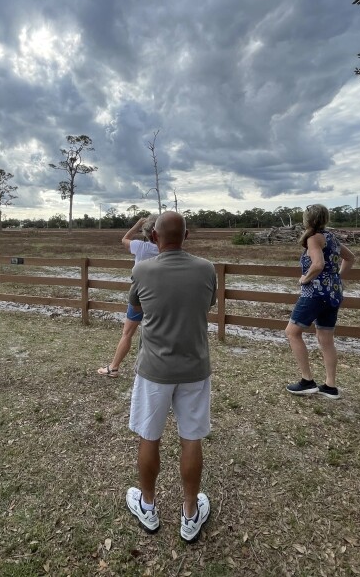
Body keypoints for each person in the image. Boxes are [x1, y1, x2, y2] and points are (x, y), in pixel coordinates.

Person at [124, 211, 217, 544]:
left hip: (154, 370)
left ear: (153, 238)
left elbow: (137, 308)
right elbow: (207, 304)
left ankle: (147, 505)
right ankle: (190, 512)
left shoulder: (142, 270)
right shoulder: (207, 269)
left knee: (150, 436)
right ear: (187, 235)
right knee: (191, 438)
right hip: (194, 368)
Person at [284, 204, 356, 399]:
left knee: (292, 333)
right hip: (333, 294)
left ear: (308, 219)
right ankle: (330, 386)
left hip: (314, 294)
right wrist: (337, 278)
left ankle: (307, 381)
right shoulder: (331, 237)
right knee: (326, 339)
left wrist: (305, 279)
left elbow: (318, 264)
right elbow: (350, 258)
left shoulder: (313, 238)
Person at [97, 214, 159, 377]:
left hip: (140, 294)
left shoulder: (140, 247)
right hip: (161, 297)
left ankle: (114, 367)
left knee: (127, 333)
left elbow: (125, 239)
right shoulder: (164, 250)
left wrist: (137, 224)